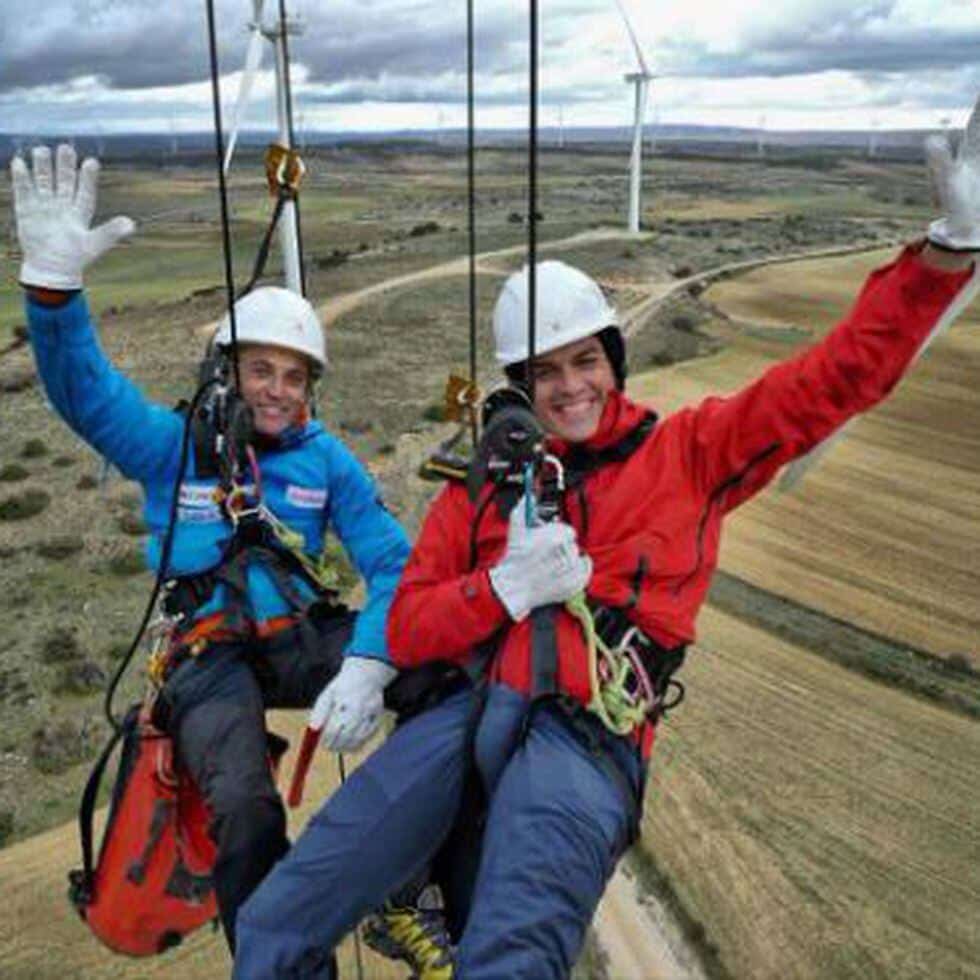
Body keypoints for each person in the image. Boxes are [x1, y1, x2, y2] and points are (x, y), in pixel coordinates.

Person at [233, 119, 980, 978]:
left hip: (585, 738)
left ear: (613, 362)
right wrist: (504, 591)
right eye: (545, 374)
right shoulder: (482, 486)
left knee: (510, 962)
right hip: (463, 712)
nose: (569, 387)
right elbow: (408, 625)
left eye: (584, 361)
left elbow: (830, 379)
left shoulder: (688, 455)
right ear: (522, 390)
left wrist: (944, 262)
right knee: (274, 928)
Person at [9, 144, 413, 949]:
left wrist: (371, 660)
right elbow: (86, 394)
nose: (277, 388)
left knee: (449, 671)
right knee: (246, 805)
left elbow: (395, 562)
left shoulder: (325, 461)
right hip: (206, 662)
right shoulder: (172, 448)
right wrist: (55, 297)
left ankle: (408, 889)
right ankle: (279, 964)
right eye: (260, 369)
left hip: (297, 638)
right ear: (227, 372)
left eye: (295, 377)